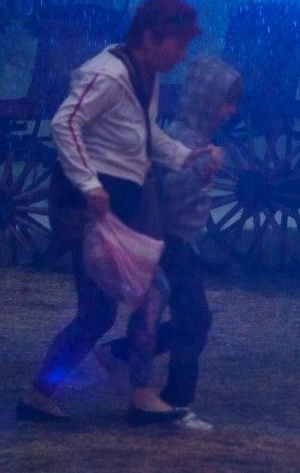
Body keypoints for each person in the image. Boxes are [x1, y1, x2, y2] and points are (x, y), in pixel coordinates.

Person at [17, 0, 217, 425]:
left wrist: (187, 157)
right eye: (178, 43)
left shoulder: (145, 75)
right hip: (87, 208)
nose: (182, 54)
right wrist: (89, 183)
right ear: (150, 36)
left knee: (105, 310)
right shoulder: (107, 75)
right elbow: (64, 124)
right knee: (141, 295)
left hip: (115, 205)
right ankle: (137, 395)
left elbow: (146, 134)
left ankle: (42, 393)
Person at [95, 54, 242, 432]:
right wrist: (201, 172)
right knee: (194, 319)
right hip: (170, 240)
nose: (231, 110)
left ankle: (121, 353)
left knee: (192, 319)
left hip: (181, 241)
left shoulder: (195, 137)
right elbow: (168, 191)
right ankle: (176, 400)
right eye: (226, 102)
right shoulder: (182, 140)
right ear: (207, 99)